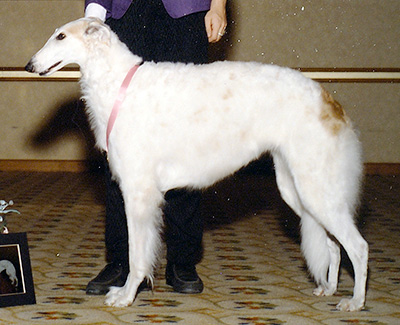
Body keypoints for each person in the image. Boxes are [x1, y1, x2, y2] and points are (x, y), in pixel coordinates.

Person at [84, 0, 227, 295]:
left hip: (185, 15)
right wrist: (94, 15)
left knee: (184, 140)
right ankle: (120, 261)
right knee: (121, 143)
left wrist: (219, 5)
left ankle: (182, 261)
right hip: (125, 14)